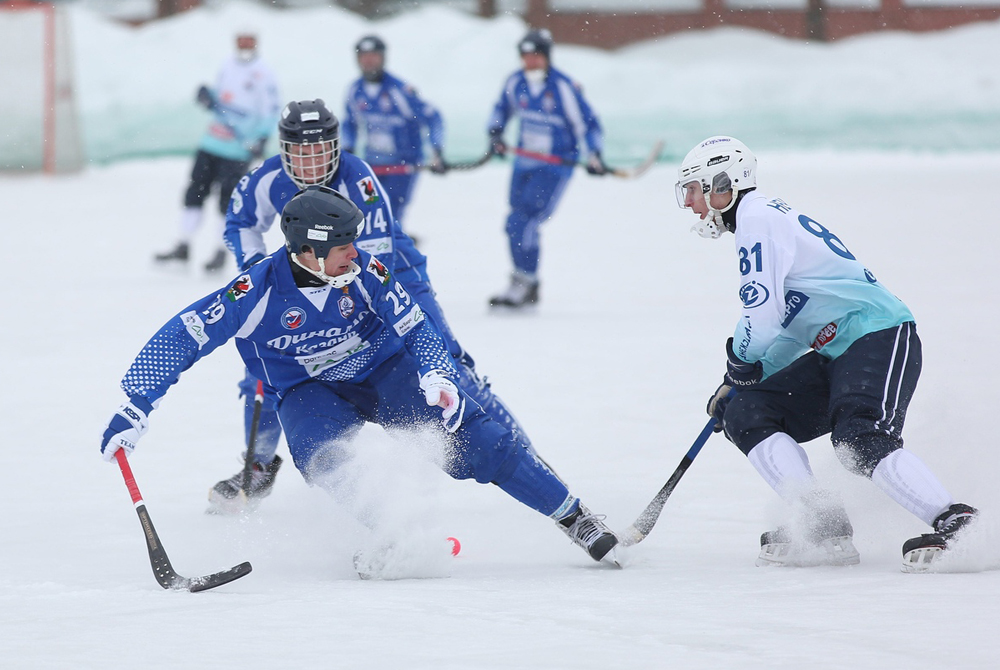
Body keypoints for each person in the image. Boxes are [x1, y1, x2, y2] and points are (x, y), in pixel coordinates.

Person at [100, 187, 621, 575]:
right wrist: (135, 404)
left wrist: (438, 373)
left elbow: (417, 325)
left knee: (474, 439)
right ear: (307, 251)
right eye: (343, 246)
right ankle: (394, 533)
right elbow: (183, 336)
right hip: (310, 390)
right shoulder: (253, 290)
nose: (356, 252)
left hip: (385, 369)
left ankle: (574, 517)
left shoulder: (365, 270)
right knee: (317, 454)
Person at [211, 99, 540, 512]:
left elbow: (374, 263)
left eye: (319, 150)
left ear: (334, 147)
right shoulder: (265, 178)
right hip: (310, 275)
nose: (311, 162)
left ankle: (521, 456)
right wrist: (257, 270)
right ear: (284, 151)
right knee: (264, 369)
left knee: (449, 363)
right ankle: (256, 468)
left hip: (392, 276)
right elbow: (240, 224)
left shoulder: (359, 178)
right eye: (301, 152)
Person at [675, 135, 978, 572]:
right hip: (837, 348)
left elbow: (760, 315)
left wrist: (739, 363)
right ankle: (821, 522)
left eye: (693, 188)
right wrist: (743, 379)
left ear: (722, 186)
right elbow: (790, 327)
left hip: (879, 334)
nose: (688, 202)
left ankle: (956, 521)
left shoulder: (757, 218)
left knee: (859, 436)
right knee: (747, 411)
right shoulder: (763, 221)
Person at [486, 28, 608, 309]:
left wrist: (595, 154)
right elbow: (500, 110)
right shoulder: (516, 82)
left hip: (554, 168)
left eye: (536, 56)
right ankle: (525, 281)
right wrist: (496, 133)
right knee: (514, 221)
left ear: (547, 57)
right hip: (524, 163)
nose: (531, 62)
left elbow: (588, 124)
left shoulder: (563, 87)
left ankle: (525, 281)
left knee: (524, 222)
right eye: (526, 56)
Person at [155, 31, 280, 273]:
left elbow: (271, 111)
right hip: (212, 142)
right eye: (240, 39)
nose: (244, 43)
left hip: (237, 150)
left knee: (227, 201)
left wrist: (262, 137)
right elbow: (221, 98)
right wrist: (207, 97)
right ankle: (183, 244)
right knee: (195, 192)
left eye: (248, 39)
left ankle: (220, 251)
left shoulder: (265, 73)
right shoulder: (227, 65)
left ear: (256, 41)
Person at [342, 34, 447, 233]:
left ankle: (397, 252)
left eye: (373, 56)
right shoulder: (355, 91)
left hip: (402, 167)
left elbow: (434, 118)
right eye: (364, 56)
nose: (368, 61)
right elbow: (349, 124)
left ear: (382, 58)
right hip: (372, 168)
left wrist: (437, 151)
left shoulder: (400, 91)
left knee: (390, 214)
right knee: (367, 212)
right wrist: (347, 149)